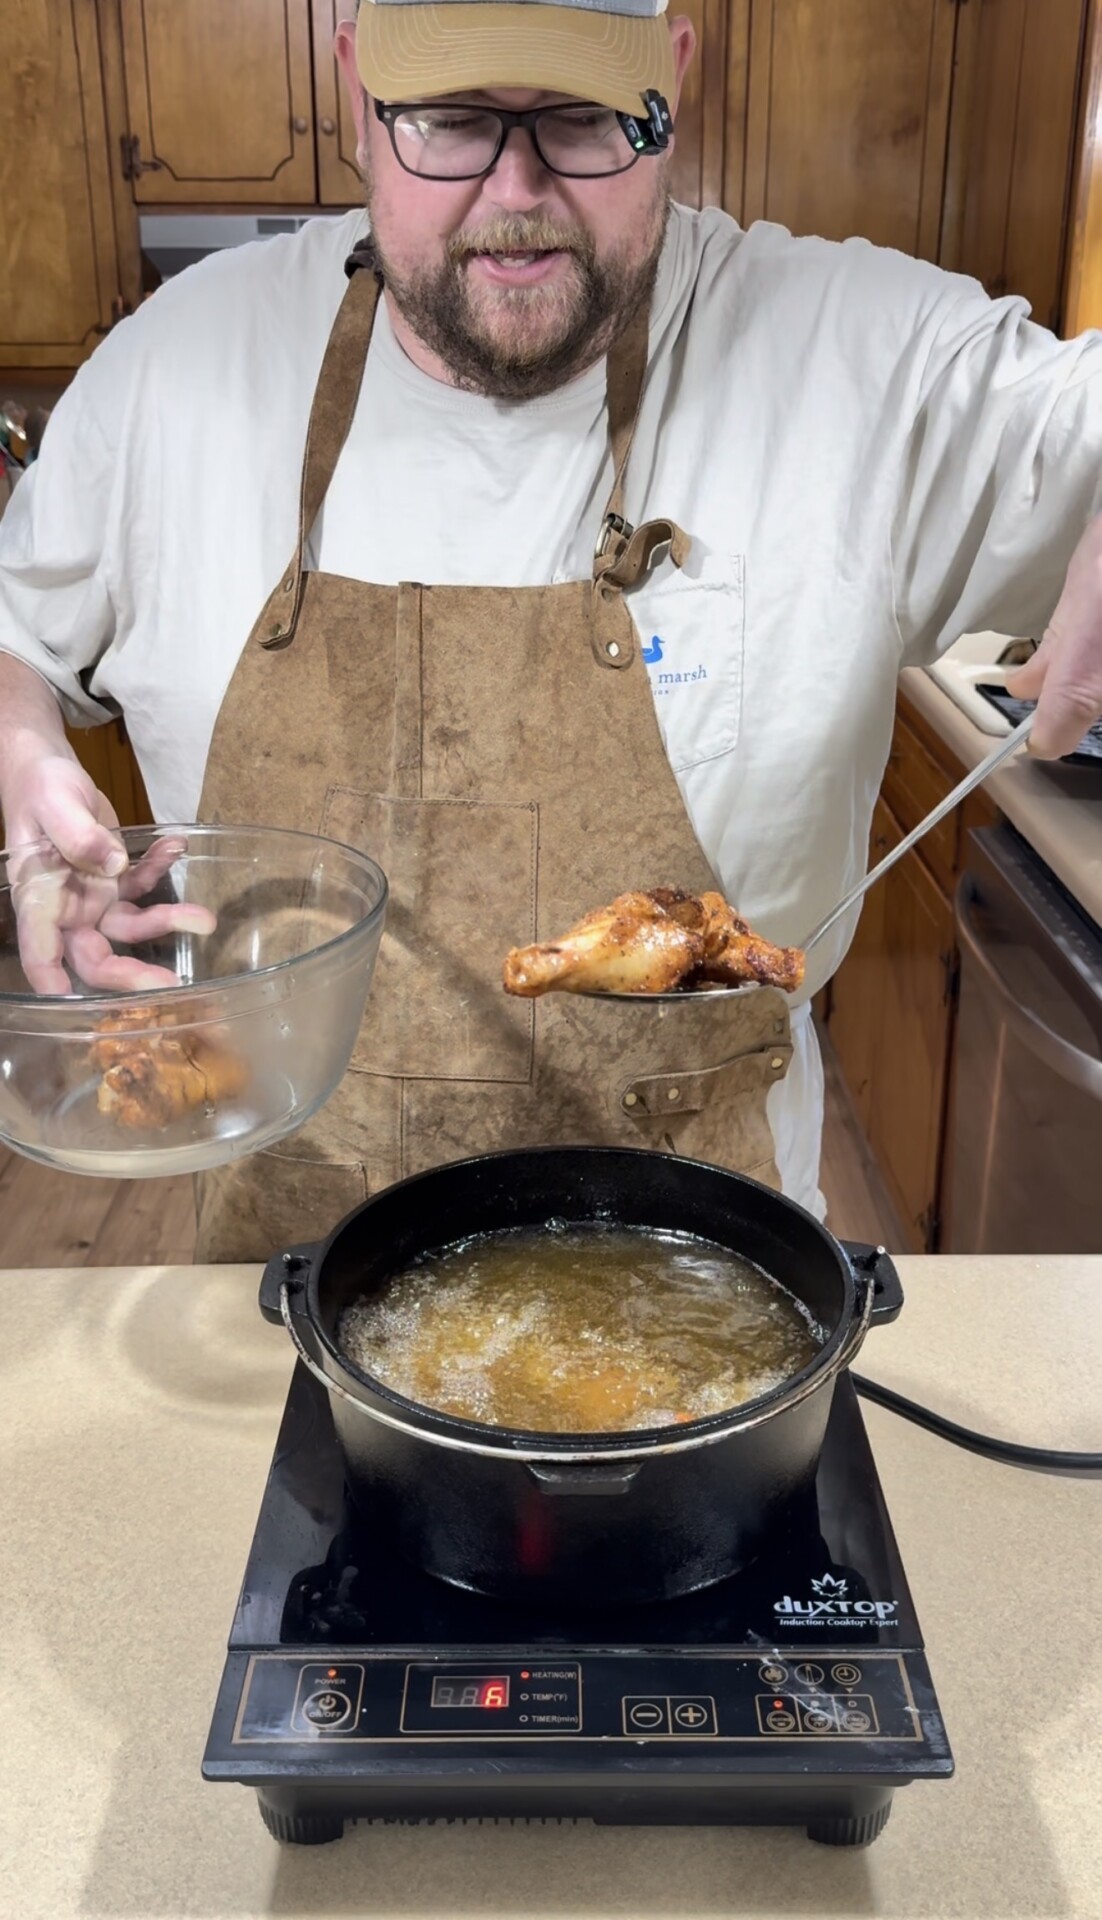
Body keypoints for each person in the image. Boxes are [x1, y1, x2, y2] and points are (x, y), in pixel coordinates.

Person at [1, 0, 1101, 1260]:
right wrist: (25, 755)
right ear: (356, 83)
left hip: (711, 1293)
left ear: (671, 86)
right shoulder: (172, 373)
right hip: (278, 1302)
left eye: (583, 120)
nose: (514, 190)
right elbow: (15, 639)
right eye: (452, 121)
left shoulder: (866, 361)